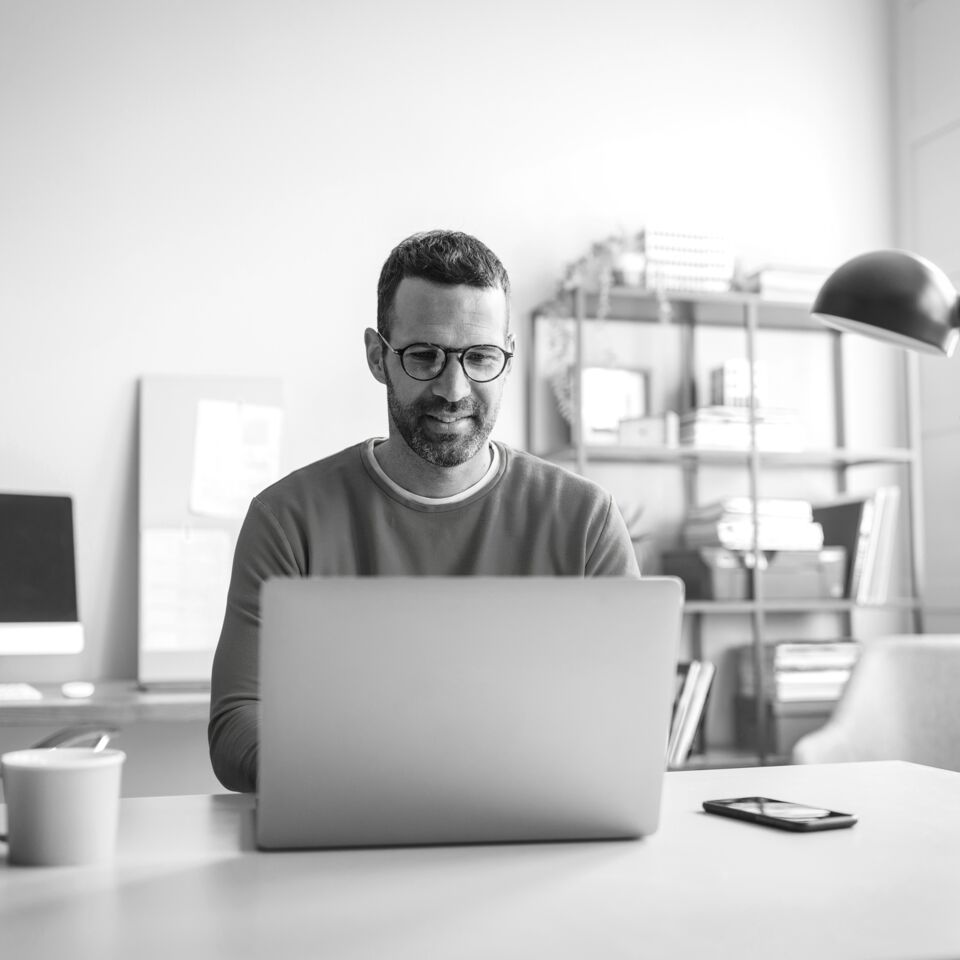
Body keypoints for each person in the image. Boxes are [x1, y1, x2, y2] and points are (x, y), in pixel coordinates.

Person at [208, 229, 640, 793]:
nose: (454, 388)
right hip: (345, 844)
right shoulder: (287, 519)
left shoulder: (585, 521)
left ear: (507, 357)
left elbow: (635, 719)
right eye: (425, 356)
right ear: (377, 356)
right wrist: (400, 774)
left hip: (535, 840)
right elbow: (238, 722)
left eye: (480, 356)